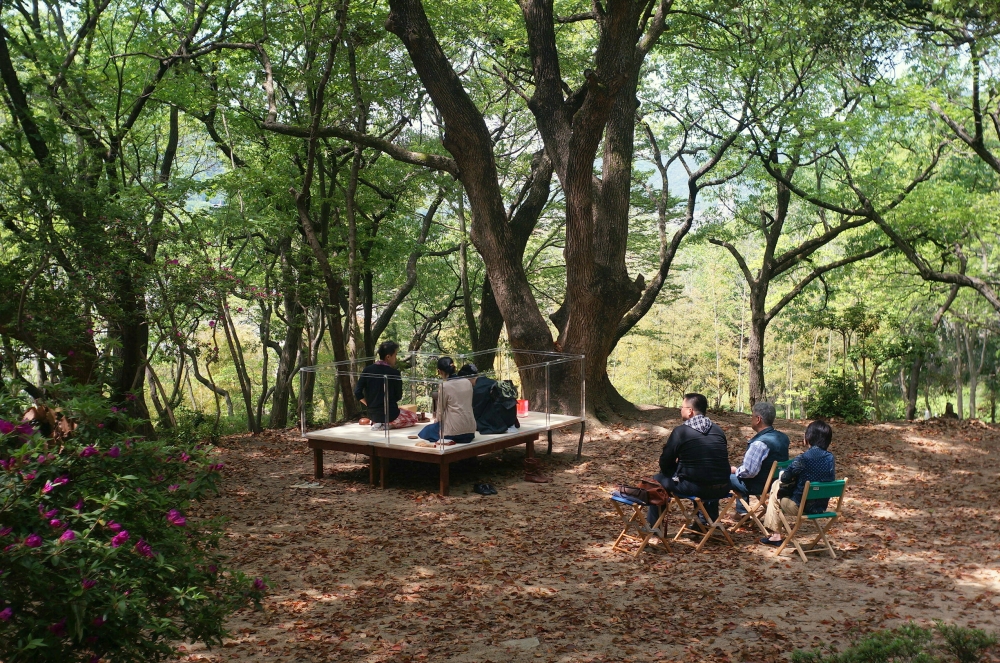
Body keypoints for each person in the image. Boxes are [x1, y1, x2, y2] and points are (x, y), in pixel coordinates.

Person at [647, 393, 731, 528]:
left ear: (690, 411)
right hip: (723, 487)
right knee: (706, 475)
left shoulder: (681, 432)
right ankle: (704, 523)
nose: (681, 410)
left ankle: (653, 528)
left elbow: (665, 462)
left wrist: (673, 473)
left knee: (656, 480)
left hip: (696, 487)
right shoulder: (718, 430)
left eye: (682, 407)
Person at [760, 420, 835, 546]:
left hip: (800, 506)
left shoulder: (803, 458)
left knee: (776, 485)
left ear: (808, 437)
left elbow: (785, 478)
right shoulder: (830, 458)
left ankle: (775, 535)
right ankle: (775, 535)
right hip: (820, 506)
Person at [730, 402, 790, 515]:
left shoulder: (759, 443)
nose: (750, 419)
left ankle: (707, 517)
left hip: (759, 485)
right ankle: (742, 511)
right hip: (775, 483)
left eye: (752, 416)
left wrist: (735, 470)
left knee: (724, 476)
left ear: (758, 419)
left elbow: (749, 472)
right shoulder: (783, 438)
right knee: (739, 476)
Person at [353, 340, 419, 431]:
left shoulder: (367, 370)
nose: (396, 358)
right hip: (390, 414)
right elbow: (398, 396)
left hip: (372, 414)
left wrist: (370, 404)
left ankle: (378, 423)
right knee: (413, 417)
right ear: (388, 356)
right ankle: (388, 425)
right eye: (395, 355)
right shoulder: (394, 373)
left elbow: (357, 392)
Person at [418, 357, 477, 444]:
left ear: (439, 371)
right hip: (470, 431)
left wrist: (437, 421)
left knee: (426, 431)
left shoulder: (444, 386)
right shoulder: (467, 382)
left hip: (454, 432)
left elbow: (440, 411)